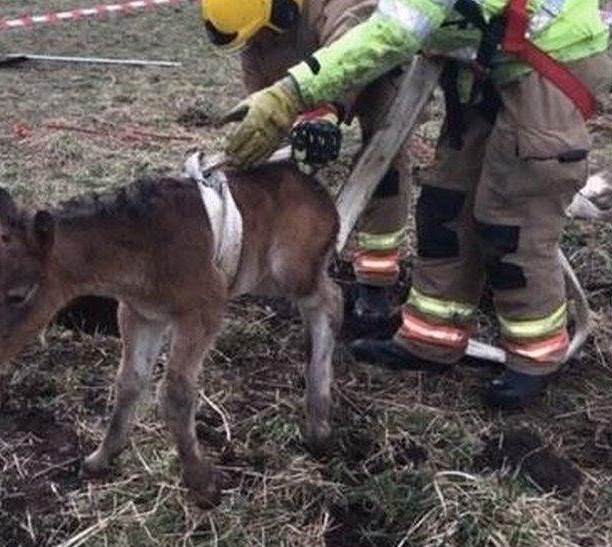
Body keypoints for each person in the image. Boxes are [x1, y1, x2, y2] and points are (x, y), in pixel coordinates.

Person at [222, 0, 610, 408]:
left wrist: (292, 93)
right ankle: (431, 339)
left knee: (510, 220)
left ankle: (536, 357)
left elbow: (390, 36)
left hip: (548, 69)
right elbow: (368, 26)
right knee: (445, 204)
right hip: (493, 64)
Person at [201, 0, 415, 335]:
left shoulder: (337, 5)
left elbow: (358, 44)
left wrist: (326, 109)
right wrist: (274, 125)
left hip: (374, 58)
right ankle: (283, 261)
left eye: (265, 36)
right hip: (305, 75)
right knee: (279, 167)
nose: (261, 45)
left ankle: (376, 284)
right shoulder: (256, 30)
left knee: (384, 156)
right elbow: (266, 89)